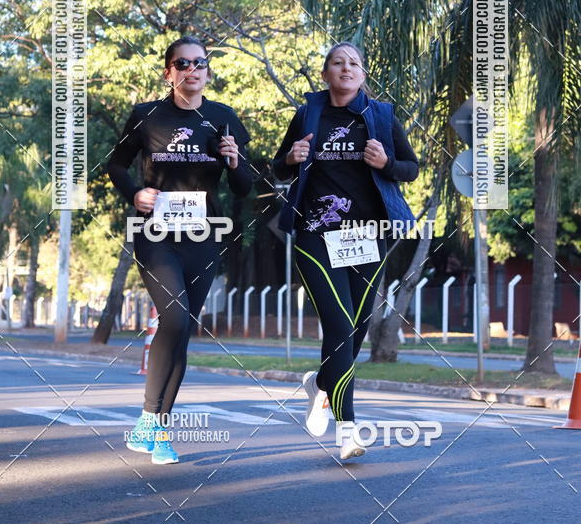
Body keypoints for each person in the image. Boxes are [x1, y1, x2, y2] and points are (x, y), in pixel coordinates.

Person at [107, 36, 252, 465]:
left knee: (182, 329)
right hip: (156, 233)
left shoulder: (223, 118)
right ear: (169, 72)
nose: (193, 70)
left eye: (200, 63)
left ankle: (158, 428)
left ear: (207, 72)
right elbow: (115, 165)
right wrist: (136, 193)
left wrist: (233, 160)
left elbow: (244, 187)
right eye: (183, 63)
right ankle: (151, 418)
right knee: (172, 316)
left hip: (203, 233)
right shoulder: (146, 115)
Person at [272, 42, 419, 460]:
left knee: (354, 332)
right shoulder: (308, 114)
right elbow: (278, 166)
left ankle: (320, 385)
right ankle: (349, 429)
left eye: (354, 62)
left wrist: (385, 163)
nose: (346, 67)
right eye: (338, 62)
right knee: (338, 328)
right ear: (326, 74)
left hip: (368, 234)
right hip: (316, 233)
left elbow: (411, 168)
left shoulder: (382, 116)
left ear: (363, 74)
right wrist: (290, 157)